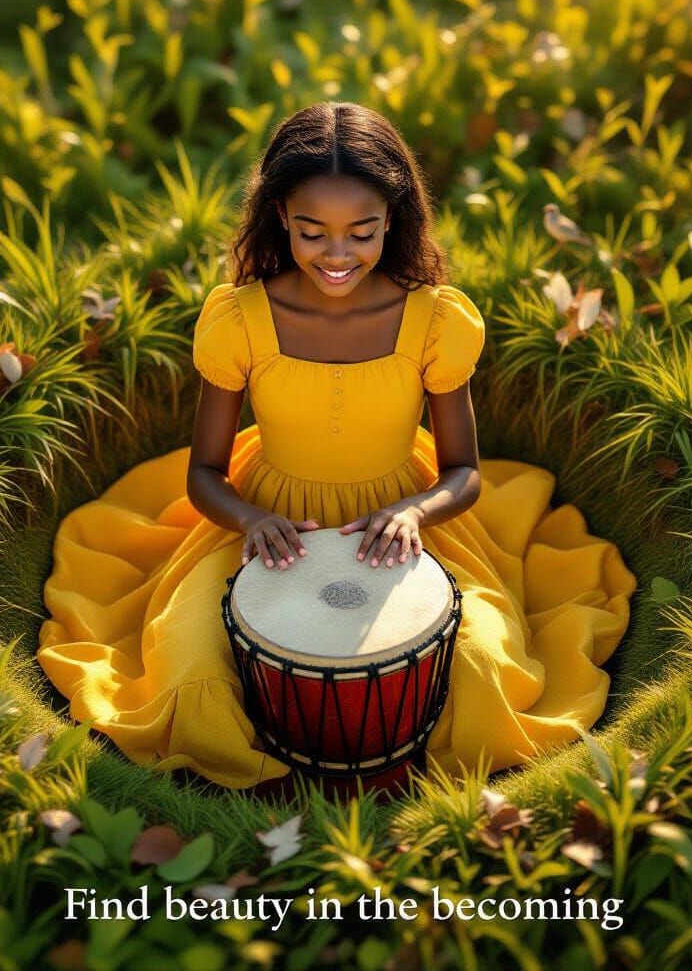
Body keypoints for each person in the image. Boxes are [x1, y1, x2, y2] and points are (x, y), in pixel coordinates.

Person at [37, 101, 637, 791]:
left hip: (404, 521)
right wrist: (251, 520)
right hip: (268, 520)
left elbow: (464, 471)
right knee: (191, 672)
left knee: (482, 667)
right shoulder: (241, 318)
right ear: (281, 219)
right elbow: (205, 472)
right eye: (313, 232)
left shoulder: (433, 317)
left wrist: (416, 512)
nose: (338, 254)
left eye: (362, 232)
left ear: (394, 220)